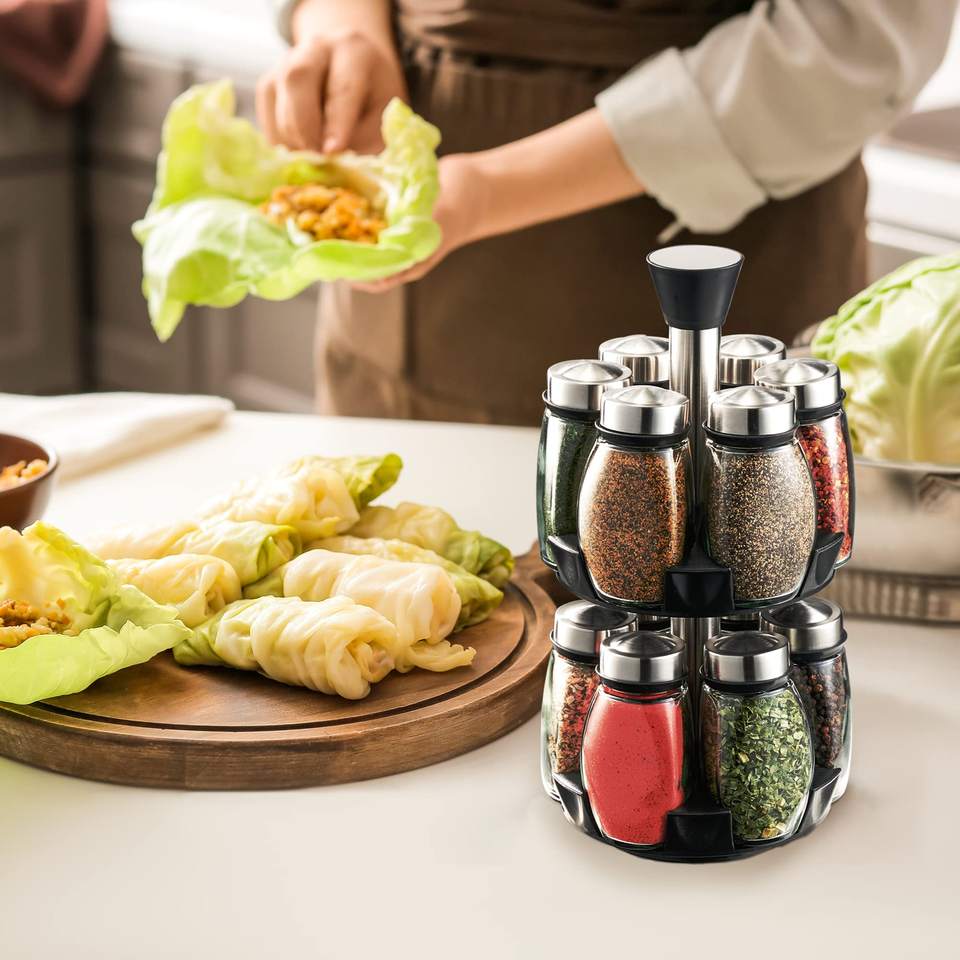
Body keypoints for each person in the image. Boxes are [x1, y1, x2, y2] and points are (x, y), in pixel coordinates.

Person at [260, 0, 956, 426]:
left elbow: (844, 48)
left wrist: (490, 190)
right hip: (398, 323)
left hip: (712, 289)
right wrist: (343, 27)